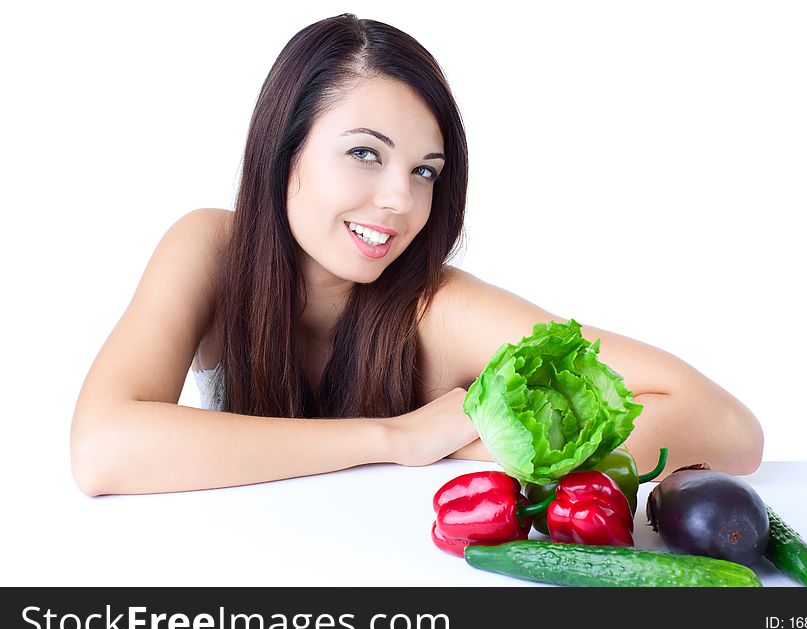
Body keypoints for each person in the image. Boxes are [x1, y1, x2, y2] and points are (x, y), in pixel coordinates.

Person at [70, 14, 763, 496]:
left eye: (425, 170)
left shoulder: (440, 308)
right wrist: (391, 439)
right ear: (284, 153)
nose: (400, 200)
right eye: (364, 153)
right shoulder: (209, 247)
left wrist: (481, 443)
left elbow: (728, 427)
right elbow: (103, 449)